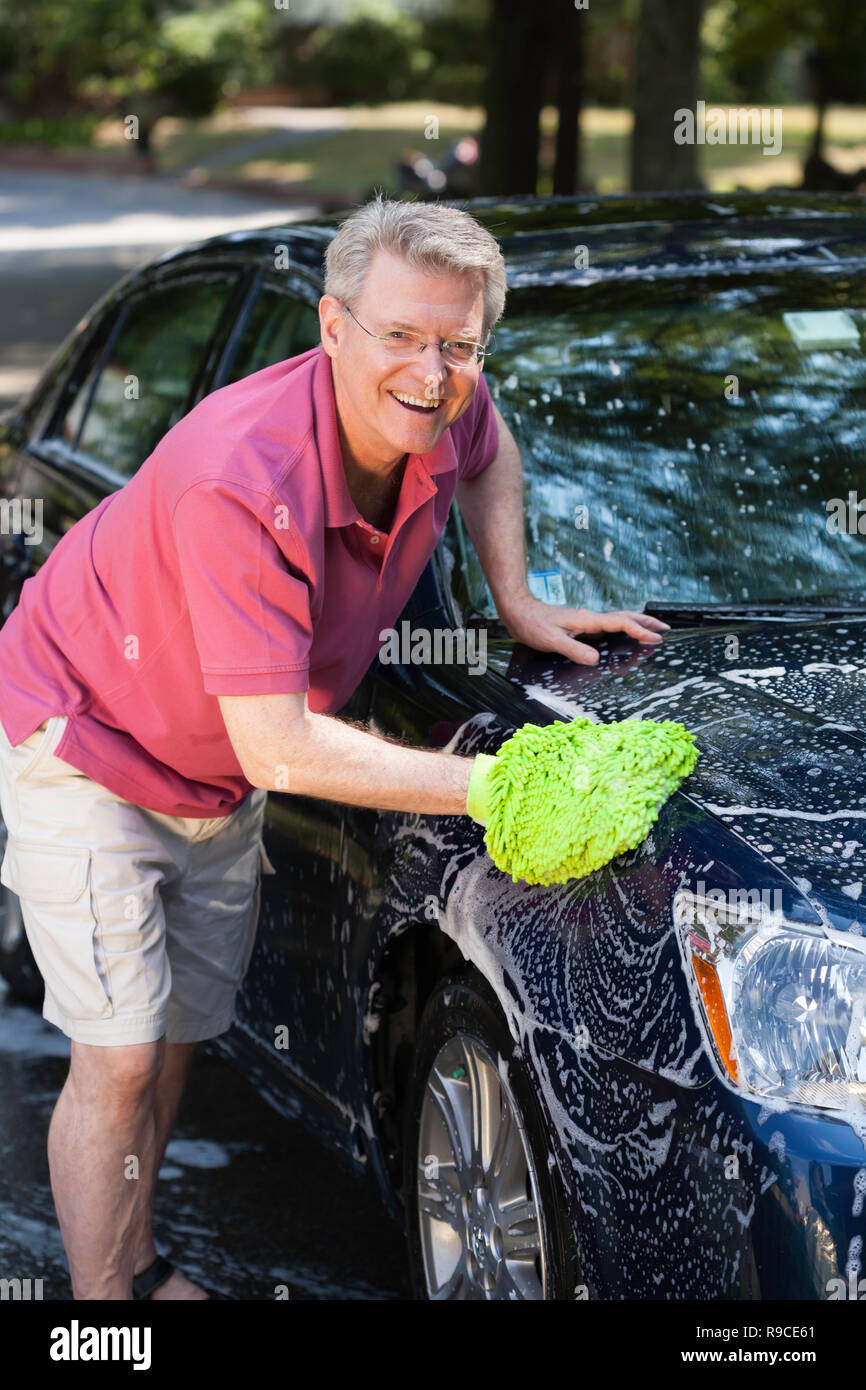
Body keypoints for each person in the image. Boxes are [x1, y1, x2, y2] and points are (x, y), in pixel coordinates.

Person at [0, 193, 668, 1300]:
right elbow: (277, 746)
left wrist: (516, 599)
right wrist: (499, 785)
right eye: (399, 336)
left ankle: (139, 1262)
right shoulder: (241, 476)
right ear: (332, 327)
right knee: (117, 1053)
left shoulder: (445, 396)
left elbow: (488, 451)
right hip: (88, 738)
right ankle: (100, 1312)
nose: (430, 368)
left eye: (457, 343)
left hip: (212, 770)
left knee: (172, 1040)